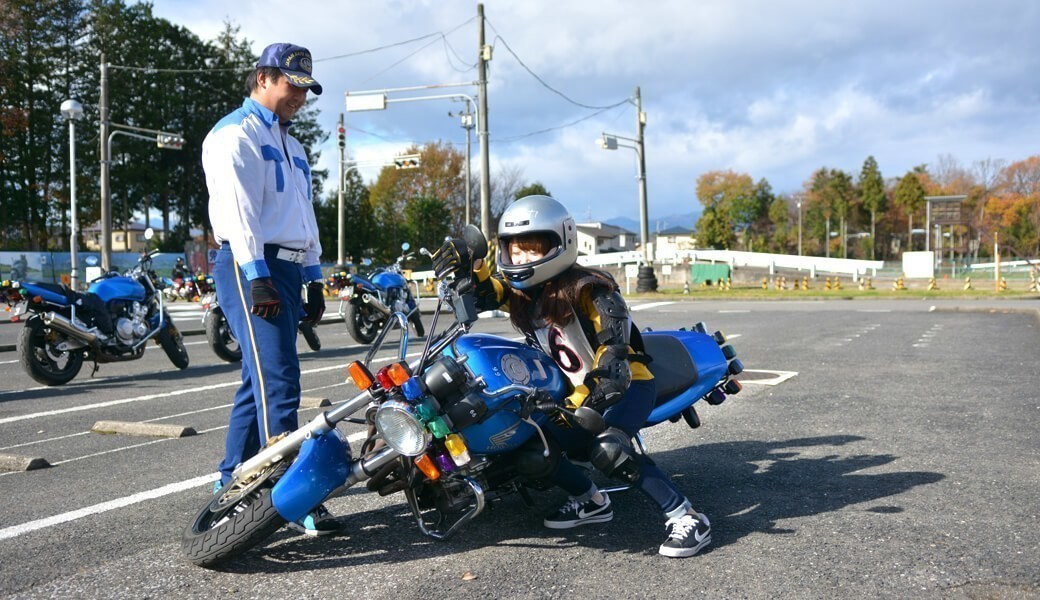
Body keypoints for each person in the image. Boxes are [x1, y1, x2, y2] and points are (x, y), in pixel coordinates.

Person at [432, 195, 711, 557]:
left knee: (608, 449)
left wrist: (582, 400)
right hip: (573, 388)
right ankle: (592, 502)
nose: (521, 259)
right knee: (532, 450)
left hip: (627, 384)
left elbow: (614, 359)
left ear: (560, 243)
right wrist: (472, 262)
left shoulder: (589, 287)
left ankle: (686, 516)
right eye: (514, 249)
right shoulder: (520, 292)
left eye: (532, 249)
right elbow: (487, 292)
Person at [202, 42, 333, 536]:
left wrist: (314, 278)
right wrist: (257, 276)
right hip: (248, 263)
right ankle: (287, 494)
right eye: (290, 85)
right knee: (279, 381)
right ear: (263, 78)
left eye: (305, 89)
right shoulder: (235, 135)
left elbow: (304, 217)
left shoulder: (292, 145)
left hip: (288, 266)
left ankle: (228, 481)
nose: (298, 96)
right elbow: (239, 215)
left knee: (257, 379)